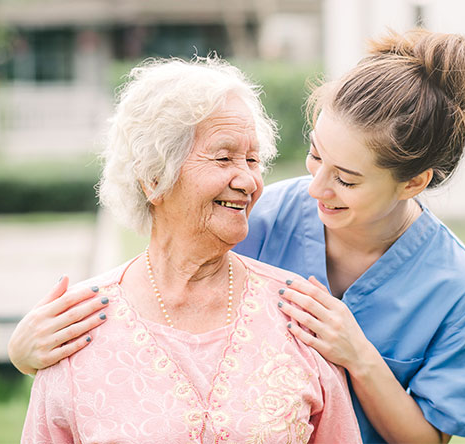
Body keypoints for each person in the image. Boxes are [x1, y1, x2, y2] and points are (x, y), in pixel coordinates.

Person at [12, 29, 465, 443]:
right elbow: (168, 264)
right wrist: (29, 351)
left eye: (346, 179)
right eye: (314, 155)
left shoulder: (460, 291)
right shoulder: (263, 214)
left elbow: (431, 438)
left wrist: (359, 356)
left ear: (413, 183)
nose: (316, 187)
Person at [20, 56, 362, 443]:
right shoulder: (77, 327)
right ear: (154, 178)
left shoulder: (298, 313)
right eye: (224, 157)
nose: (249, 180)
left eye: (253, 160)